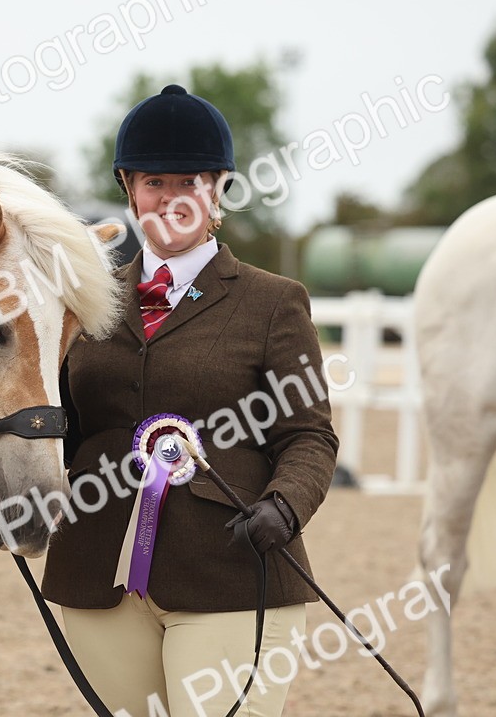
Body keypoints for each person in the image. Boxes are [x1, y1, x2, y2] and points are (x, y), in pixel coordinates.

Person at [41, 84, 339, 717]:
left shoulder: (272, 302)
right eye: (154, 183)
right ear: (129, 189)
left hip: (231, 569)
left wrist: (284, 508)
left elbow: (308, 435)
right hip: (99, 572)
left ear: (218, 190)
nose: (171, 199)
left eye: (190, 183)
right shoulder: (84, 302)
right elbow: (57, 423)